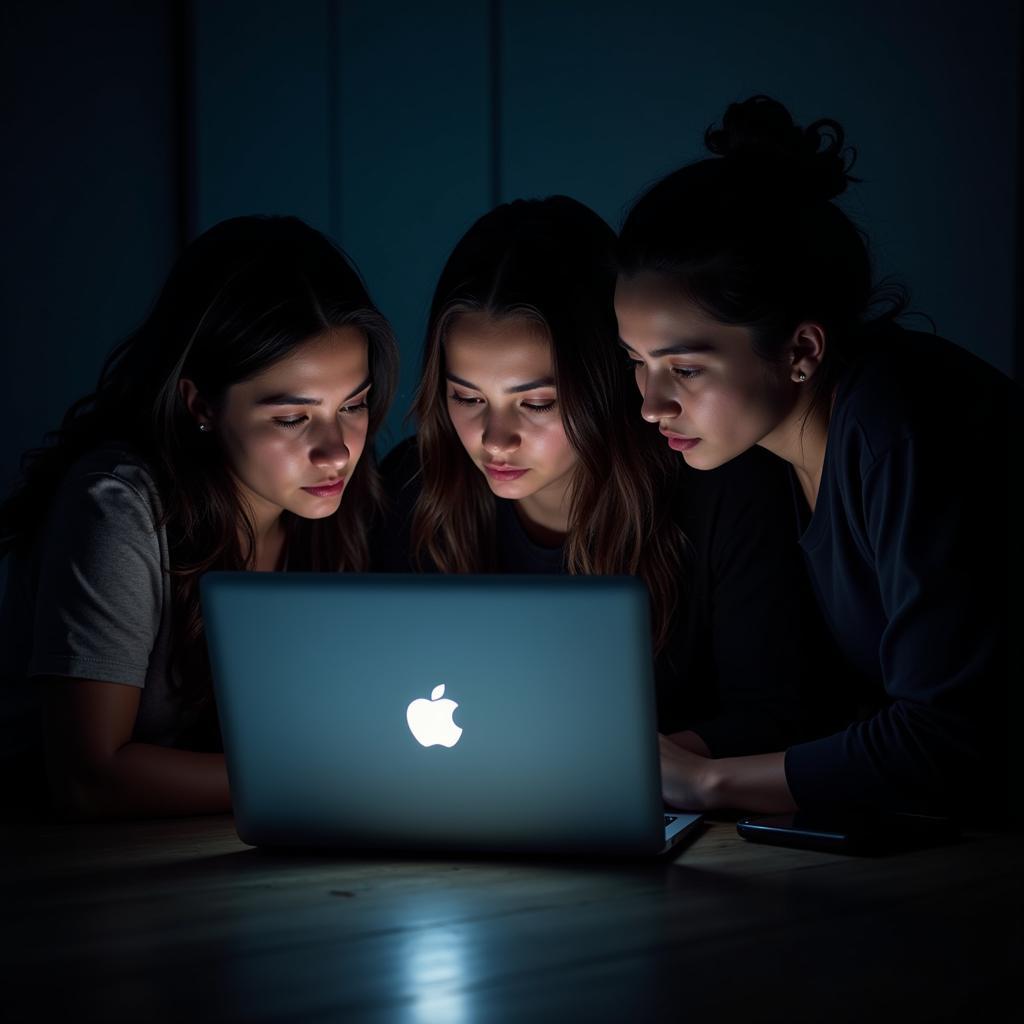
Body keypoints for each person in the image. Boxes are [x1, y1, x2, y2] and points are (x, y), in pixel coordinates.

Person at [615, 95, 1022, 816]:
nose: (651, 404)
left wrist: (701, 783)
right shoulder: (763, 453)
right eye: (637, 362)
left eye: (686, 367)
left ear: (802, 350)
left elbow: (951, 734)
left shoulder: (900, 428)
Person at [375, 196, 847, 760]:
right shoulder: (413, 487)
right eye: (467, 397)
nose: (495, 439)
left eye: (539, 404)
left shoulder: (723, 489)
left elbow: (781, 716)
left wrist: (634, 770)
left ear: (610, 381)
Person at [0, 215, 398, 819]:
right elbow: (88, 777)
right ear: (201, 404)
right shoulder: (120, 508)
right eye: (293, 418)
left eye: (355, 404)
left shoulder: (346, 505)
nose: (337, 449)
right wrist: (330, 778)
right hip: (61, 868)